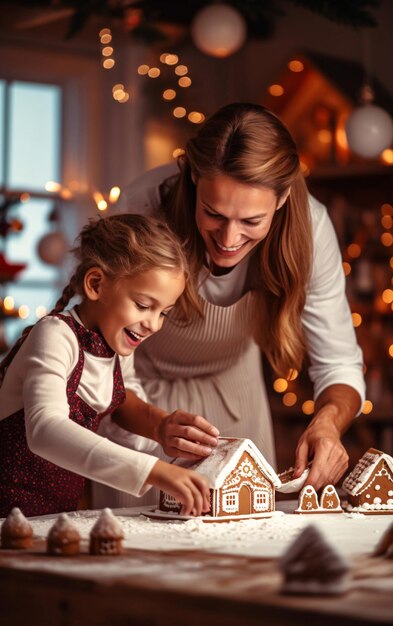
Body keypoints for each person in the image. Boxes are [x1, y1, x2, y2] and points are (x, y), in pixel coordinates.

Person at [92, 102, 365, 509]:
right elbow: (100, 356)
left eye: (251, 222)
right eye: (213, 214)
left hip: (238, 403)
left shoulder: (312, 230)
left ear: (283, 196)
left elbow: (340, 363)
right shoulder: (144, 208)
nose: (228, 238)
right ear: (193, 179)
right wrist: (155, 424)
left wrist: (327, 422)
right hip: (135, 402)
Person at [0, 213, 218, 518]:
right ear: (96, 284)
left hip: (52, 517)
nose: (154, 325)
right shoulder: (54, 334)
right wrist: (154, 472)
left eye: (164, 312)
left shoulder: (115, 345)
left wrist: (160, 426)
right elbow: (45, 429)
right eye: (143, 306)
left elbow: (121, 402)